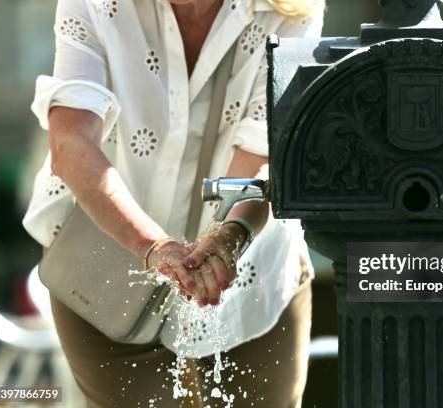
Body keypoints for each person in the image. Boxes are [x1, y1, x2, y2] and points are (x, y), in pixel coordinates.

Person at [23, 0, 324, 406]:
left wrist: (228, 237)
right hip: (105, 267)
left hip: (254, 269)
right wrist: (153, 246)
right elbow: (71, 140)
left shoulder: (294, 7)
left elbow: (266, 149)